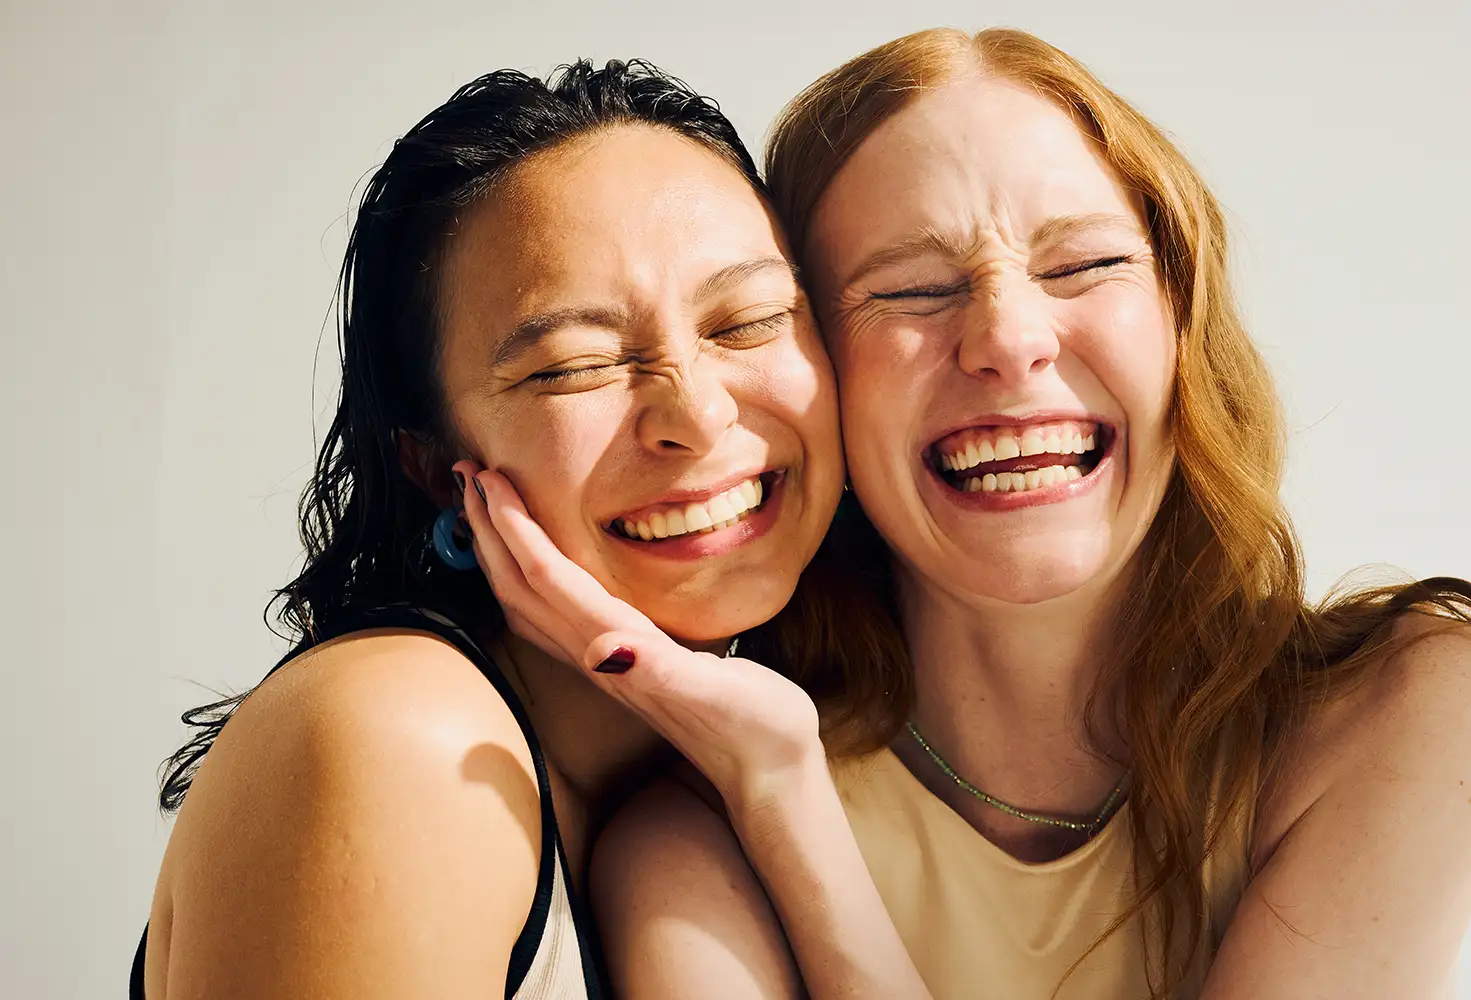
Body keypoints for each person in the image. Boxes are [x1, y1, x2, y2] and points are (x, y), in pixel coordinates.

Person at [478, 27, 1471, 1000]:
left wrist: (792, 814)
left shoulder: (1416, 706)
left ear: (1181, 327)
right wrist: (778, 787)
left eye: (1083, 265)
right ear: (815, 383)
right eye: (911, 289)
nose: (1007, 336)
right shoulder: (693, 845)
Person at [131, 58, 887, 999]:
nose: (693, 413)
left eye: (748, 321)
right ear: (433, 463)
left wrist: (782, 780)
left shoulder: (755, 762)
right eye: (572, 367)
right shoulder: (400, 740)